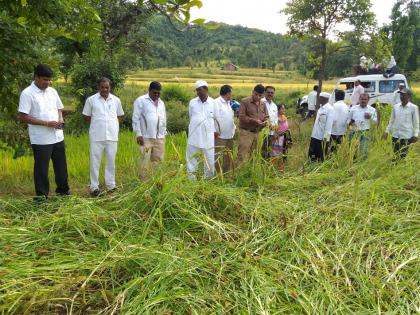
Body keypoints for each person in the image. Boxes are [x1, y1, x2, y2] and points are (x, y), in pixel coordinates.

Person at [18, 64, 70, 200]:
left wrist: (60, 119)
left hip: (57, 136)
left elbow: (59, 108)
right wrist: (47, 123)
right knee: (41, 169)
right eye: (44, 79)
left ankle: (63, 192)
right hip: (41, 139)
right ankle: (42, 197)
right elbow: (23, 116)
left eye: (49, 80)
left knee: (61, 167)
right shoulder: (27, 93)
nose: (48, 82)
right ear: (36, 77)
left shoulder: (52, 91)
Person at [82, 78, 124, 196]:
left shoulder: (116, 100)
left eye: (107, 87)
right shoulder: (91, 100)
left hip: (112, 136)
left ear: (110, 87)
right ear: (98, 87)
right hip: (96, 137)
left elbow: (120, 116)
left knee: (111, 162)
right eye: (102, 87)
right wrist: (98, 124)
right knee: (95, 162)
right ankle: (94, 187)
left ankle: (111, 185)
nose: (105, 89)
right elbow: (86, 116)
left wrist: (114, 125)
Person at [132, 81, 167, 179]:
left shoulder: (161, 103)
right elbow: (135, 118)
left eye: (158, 93)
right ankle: (143, 184)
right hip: (145, 137)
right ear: (149, 90)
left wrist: (163, 133)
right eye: (154, 92)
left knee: (158, 161)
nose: (156, 95)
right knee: (144, 161)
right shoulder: (141, 100)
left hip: (159, 138)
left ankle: (154, 182)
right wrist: (138, 134)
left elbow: (164, 118)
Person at [186, 80, 217, 179]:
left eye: (200, 90)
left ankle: (208, 179)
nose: (198, 92)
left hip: (208, 136)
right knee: (191, 158)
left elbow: (216, 119)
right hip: (194, 135)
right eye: (197, 90)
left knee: (209, 158)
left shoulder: (213, 103)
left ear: (206, 89)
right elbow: (191, 117)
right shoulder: (192, 102)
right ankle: (191, 179)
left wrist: (215, 131)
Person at [236, 84, 268, 164]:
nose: (257, 97)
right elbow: (241, 117)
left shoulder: (263, 104)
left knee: (254, 155)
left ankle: (250, 174)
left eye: (260, 95)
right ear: (253, 92)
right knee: (242, 155)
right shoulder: (244, 101)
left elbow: (267, 116)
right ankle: (237, 174)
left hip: (258, 133)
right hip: (246, 132)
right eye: (256, 94)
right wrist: (254, 121)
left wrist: (265, 122)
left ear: (263, 95)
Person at [385, 88, 419, 159]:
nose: (402, 97)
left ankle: (400, 167)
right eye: (401, 95)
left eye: (404, 95)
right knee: (395, 154)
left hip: (406, 136)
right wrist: (387, 131)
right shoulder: (396, 107)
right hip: (395, 135)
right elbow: (391, 120)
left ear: (409, 96)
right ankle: (394, 168)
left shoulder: (413, 108)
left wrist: (415, 135)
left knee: (403, 155)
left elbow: (416, 122)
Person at [348, 93, 377, 159]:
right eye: (361, 99)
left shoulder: (372, 109)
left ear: (368, 100)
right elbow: (348, 120)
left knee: (364, 150)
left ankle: (362, 164)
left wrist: (370, 117)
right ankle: (353, 163)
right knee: (353, 150)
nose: (363, 101)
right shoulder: (353, 108)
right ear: (359, 99)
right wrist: (350, 122)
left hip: (365, 132)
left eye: (365, 99)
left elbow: (376, 122)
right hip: (354, 132)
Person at [214, 85, 235, 173]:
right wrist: (214, 131)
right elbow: (213, 118)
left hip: (229, 135)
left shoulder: (228, 103)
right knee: (217, 156)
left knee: (228, 156)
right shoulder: (216, 102)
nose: (232, 95)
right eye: (231, 93)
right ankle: (217, 175)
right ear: (228, 93)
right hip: (220, 136)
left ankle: (226, 174)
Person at [308, 92, 334, 162]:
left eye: (319, 97)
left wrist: (325, 139)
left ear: (324, 99)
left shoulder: (330, 109)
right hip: (315, 136)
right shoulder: (320, 108)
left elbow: (329, 125)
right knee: (312, 155)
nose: (318, 99)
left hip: (322, 138)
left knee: (321, 156)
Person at [271, 104, 292, 172]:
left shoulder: (284, 117)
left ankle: (281, 169)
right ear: (278, 109)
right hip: (277, 138)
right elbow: (273, 128)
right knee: (275, 154)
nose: (284, 110)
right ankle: (272, 168)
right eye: (282, 109)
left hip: (283, 138)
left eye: (284, 108)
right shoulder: (275, 118)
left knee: (282, 154)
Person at [261, 86, 278, 158]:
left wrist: (275, 131)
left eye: (272, 93)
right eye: (268, 92)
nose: (270, 94)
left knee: (269, 152)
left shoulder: (274, 105)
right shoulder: (260, 102)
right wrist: (268, 125)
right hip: (262, 133)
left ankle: (266, 167)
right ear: (264, 93)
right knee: (262, 151)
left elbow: (276, 119)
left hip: (271, 133)